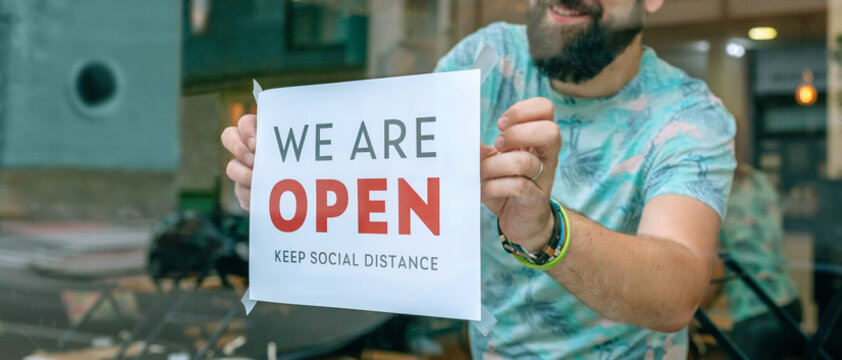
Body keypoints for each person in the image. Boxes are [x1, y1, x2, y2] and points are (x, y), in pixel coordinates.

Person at [221, 0, 736, 358]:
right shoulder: (487, 61)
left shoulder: (688, 115)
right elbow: (389, 187)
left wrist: (545, 233)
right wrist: (287, 186)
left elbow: (677, 291)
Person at [705, 164, 802, 359]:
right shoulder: (761, 180)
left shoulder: (714, 194)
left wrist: (689, 315)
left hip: (752, 311)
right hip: (789, 303)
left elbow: (716, 271)